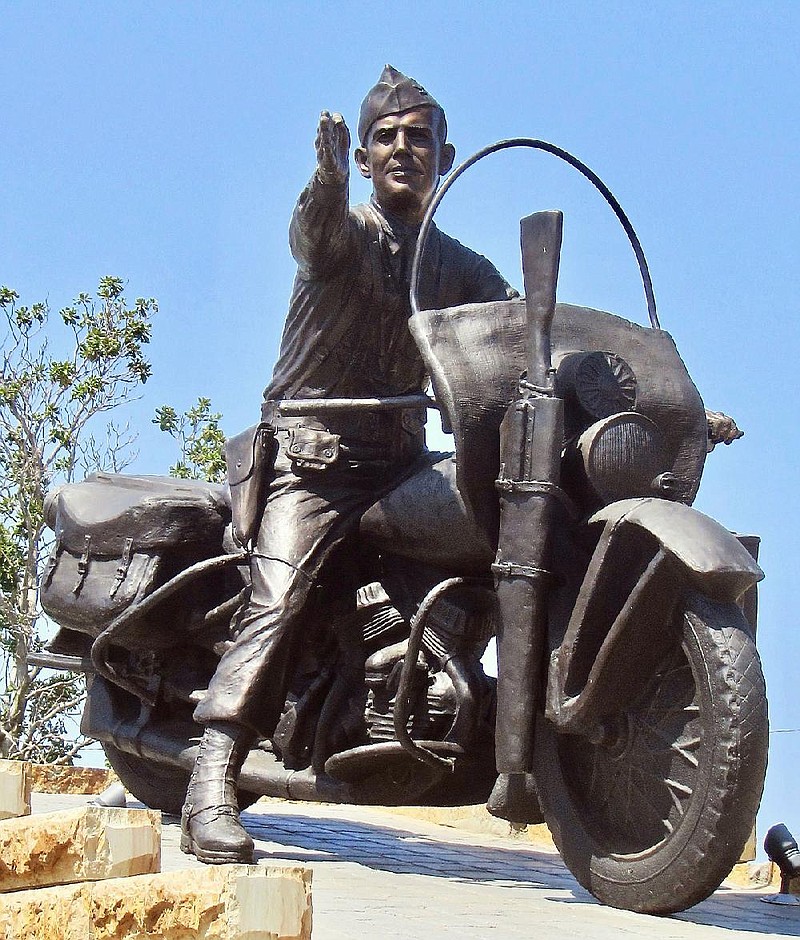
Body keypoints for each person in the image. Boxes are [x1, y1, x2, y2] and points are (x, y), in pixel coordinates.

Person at [181, 65, 517, 864]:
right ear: (365, 157)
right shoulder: (347, 234)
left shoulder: (459, 268)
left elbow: (523, 336)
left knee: (506, 525)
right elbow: (311, 234)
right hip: (313, 465)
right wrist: (324, 182)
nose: (404, 148)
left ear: (447, 154)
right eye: (386, 138)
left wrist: (629, 393)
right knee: (279, 599)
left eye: (420, 137)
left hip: (399, 469)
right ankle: (213, 781)